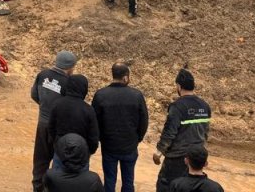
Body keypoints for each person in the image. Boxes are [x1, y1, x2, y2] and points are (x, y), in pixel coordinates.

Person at [91, 63, 149, 192]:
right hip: (130, 145)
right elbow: (144, 121)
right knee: (128, 181)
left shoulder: (101, 95)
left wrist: (101, 138)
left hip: (109, 145)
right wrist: (137, 138)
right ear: (125, 77)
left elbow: (94, 121)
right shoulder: (136, 95)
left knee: (109, 180)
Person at [154, 70, 211, 192]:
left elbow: (169, 132)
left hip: (177, 158)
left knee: (165, 185)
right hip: (195, 158)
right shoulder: (205, 106)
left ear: (179, 86)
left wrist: (159, 152)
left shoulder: (177, 106)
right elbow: (205, 132)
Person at [31, 51, 77, 192]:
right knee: (58, 159)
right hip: (59, 127)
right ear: (70, 67)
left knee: (40, 158)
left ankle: (37, 186)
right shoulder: (69, 82)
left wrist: (44, 107)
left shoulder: (42, 74)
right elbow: (70, 105)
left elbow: (34, 95)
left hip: (42, 123)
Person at [49, 74, 99, 166]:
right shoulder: (88, 109)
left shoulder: (57, 104)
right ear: (84, 89)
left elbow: (51, 128)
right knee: (80, 176)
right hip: (81, 152)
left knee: (57, 174)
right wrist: (89, 151)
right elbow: (93, 136)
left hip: (61, 150)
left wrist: (56, 144)